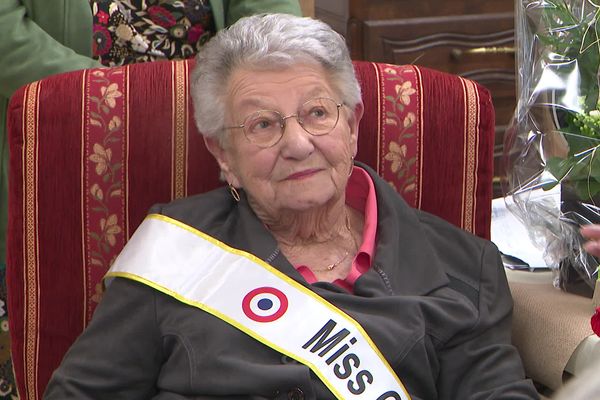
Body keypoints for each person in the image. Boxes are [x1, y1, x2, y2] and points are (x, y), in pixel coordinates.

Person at [43, 13, 539, 399]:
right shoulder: (173, 251)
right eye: (262, 124)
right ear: (223, 154)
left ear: (352, 124)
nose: (298, 143)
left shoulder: (462, 267)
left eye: (317, 113)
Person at [0, 1, 301, 396]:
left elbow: (273, 22)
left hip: (211, 141)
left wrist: (221, 98)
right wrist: (124, 101)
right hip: (68, 146)